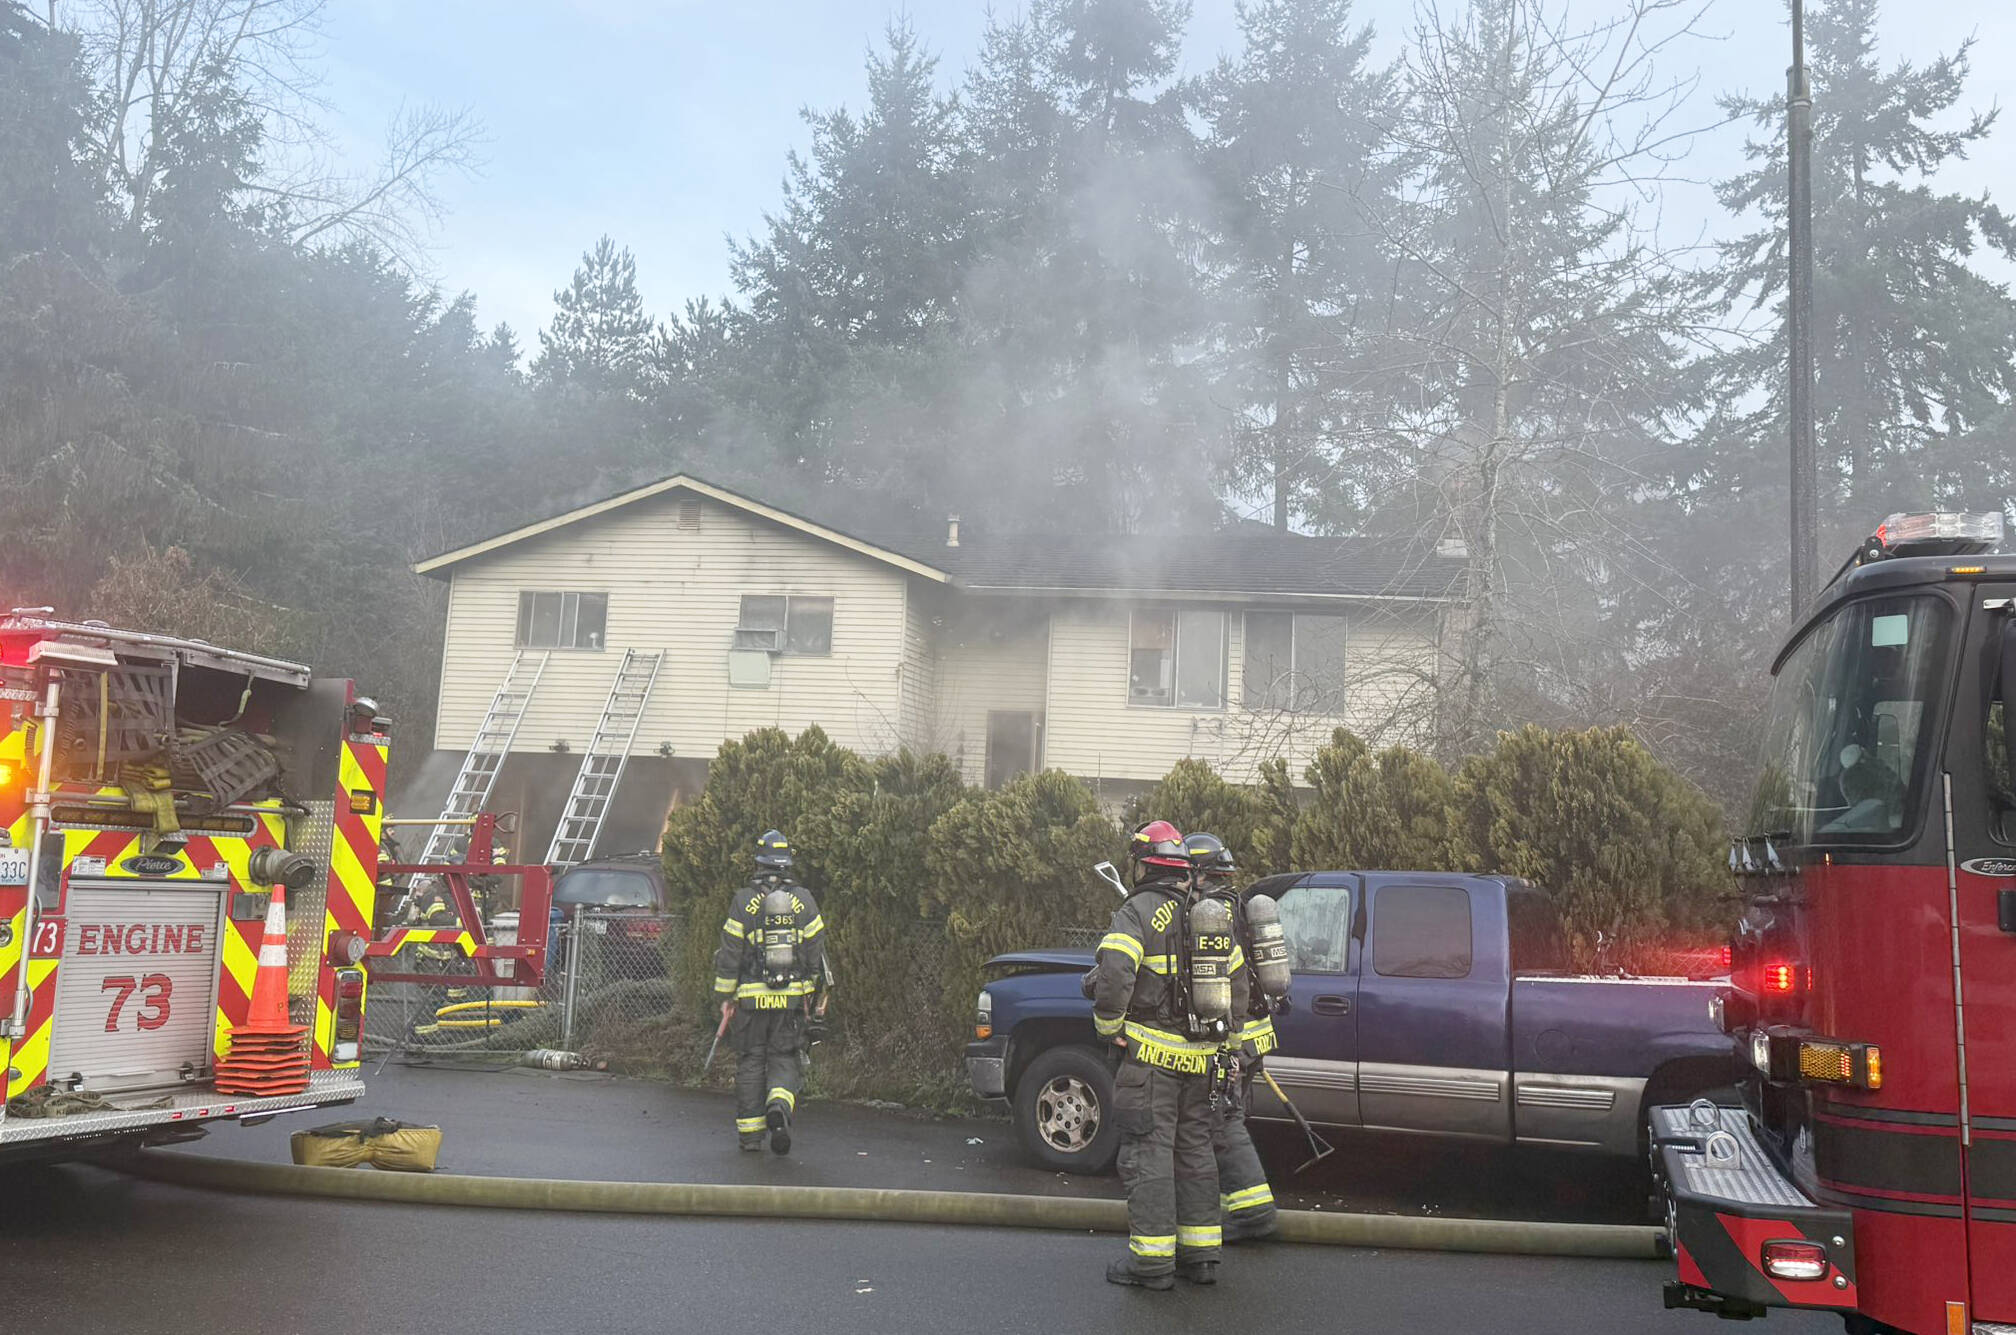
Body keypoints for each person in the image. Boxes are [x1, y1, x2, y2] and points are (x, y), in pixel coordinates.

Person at [1091, 820, 1245, 1290]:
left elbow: (1116, 973)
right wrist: (1230, 1050)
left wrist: (1109, 1027)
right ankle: (1200, 1259)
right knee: (1195, 1152)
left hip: (1151, 1062)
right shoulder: (1207, 911)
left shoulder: (1137, 910)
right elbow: (1236, 987)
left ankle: (1152, 1264)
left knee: (1148, 1154)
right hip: (1202, 1062)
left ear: (1143, 865)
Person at [1184, 833, 1280, 1244]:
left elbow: (1232, 988)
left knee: (1222, 1123)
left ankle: (1254, 1212)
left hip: (1233, 1040)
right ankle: (1228, 1207)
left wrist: (1228, 1047)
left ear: (1200, 874)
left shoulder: (1212, 915)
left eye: (1188, 873)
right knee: (1221, 1120)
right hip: (1253, 1036)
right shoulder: (1237, 906)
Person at [712, 829, 826, 1154]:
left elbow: (730, 952)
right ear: (787, 862)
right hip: (790, 1001)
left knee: (750, 1062)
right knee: (785, 1059)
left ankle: (750, 1136)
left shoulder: (743, 901)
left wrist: (724, 997)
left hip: (749, 1001)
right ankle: (778, 1107)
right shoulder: (803, 900)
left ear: (759, 861)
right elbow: (815, 953)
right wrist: (812, 996)